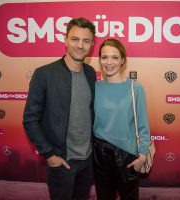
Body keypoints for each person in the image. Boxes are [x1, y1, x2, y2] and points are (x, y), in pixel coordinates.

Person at [23, 17, 96, 200]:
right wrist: (49, 154)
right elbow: (30, 119)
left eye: (86, 41)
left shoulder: (90, 73)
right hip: (62, 162)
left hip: (87, 161)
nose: (80, 45)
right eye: (75, 39)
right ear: (65, 40)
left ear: (92, 44)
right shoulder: (44, 74)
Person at [93, 38, 150, 200]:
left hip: (127, 154)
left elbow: (143, 124)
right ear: (99, 60)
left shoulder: (134, 87)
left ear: (123, 60)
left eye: (115, 57)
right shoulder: (94, 87)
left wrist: (143, 156)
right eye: (104, 57)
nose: (109, 62)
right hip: (99, 153)